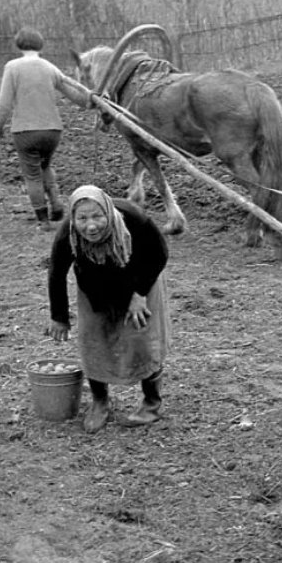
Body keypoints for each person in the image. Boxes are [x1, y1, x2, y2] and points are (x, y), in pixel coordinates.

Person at [46, 185, 171, 434]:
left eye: (97, 216)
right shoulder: (68, 233)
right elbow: (57, 272)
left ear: (107, 211)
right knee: (94, 340)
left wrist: (140, 294)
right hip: (95, 287)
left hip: (139, 280)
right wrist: (59, 317)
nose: (90, 226)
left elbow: (159, 254)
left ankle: (152, 403)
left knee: (142, 337)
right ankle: (100, 402)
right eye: (82, 218)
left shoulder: (133, 218)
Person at [0, 27, 89, 231]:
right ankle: (57, 206)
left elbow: (4, 103)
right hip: (53, 131)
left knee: (32, 174)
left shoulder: (12, 67)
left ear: (18, 44)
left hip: (25, 131)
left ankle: (43, 220)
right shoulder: (49, 67)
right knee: (45, 165)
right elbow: (74, 94)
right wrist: (93, 101)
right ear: (40, 44)